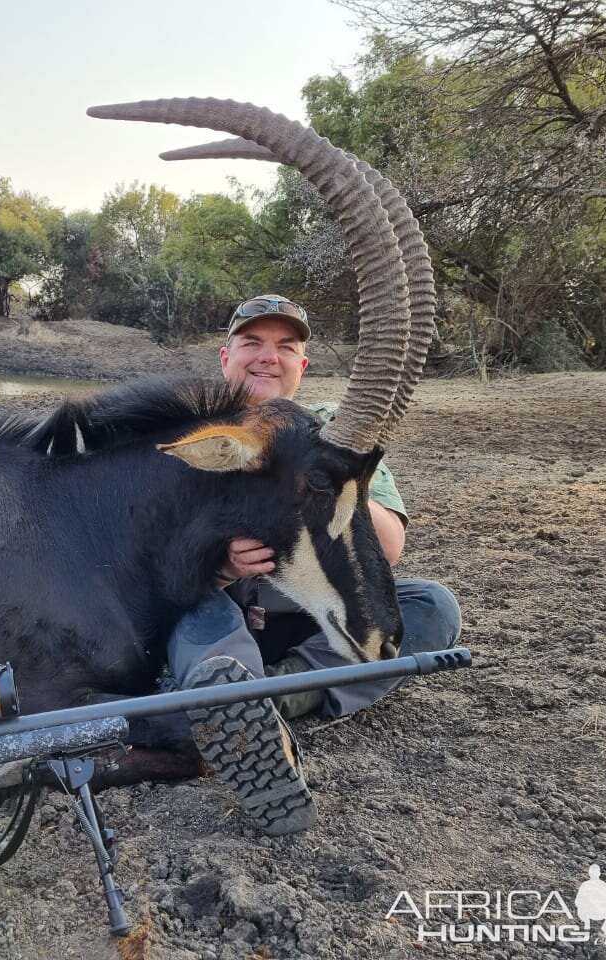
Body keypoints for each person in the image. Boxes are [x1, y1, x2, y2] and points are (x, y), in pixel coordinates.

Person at [172, 294, 462, 837]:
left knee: (430, 607)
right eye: (252, 343)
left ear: (302, 366)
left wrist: (331, 475)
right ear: (224, 357)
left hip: (312, 619)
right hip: (224, 616)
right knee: (192, 610)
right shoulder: (199, 436)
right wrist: (225, 565)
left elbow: (390, 547)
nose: (267, 357)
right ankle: (232, 699)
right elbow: (159, 561)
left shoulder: (338, 428)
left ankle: (275, 697)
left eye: (286, 347)